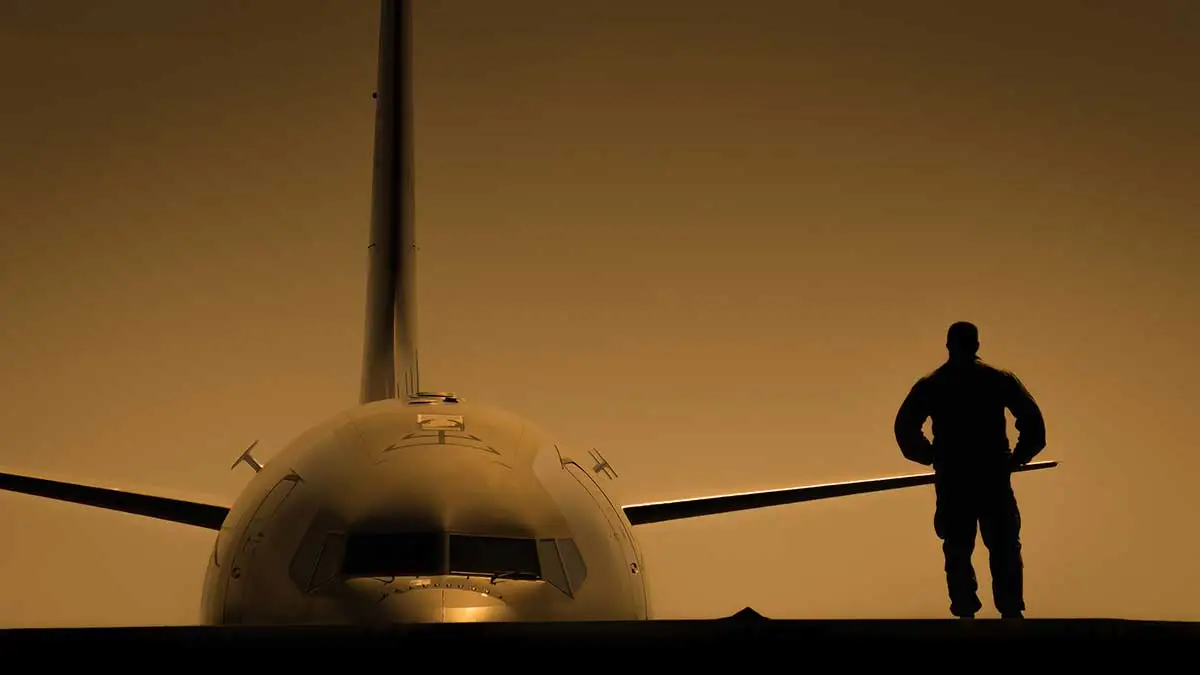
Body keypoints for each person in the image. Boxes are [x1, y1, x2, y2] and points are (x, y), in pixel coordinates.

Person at [893, 321, 1046, 619]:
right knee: (1000, 546)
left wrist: (931, 456)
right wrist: (1016, 459)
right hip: (990, 477)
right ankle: (1009, 610)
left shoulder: (933, 384)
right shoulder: (997, 380)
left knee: (959, 546)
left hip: (956, 479)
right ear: (976, 345)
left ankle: (966, 611)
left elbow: (904, 429)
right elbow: (1034, 426)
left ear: (949, 345)